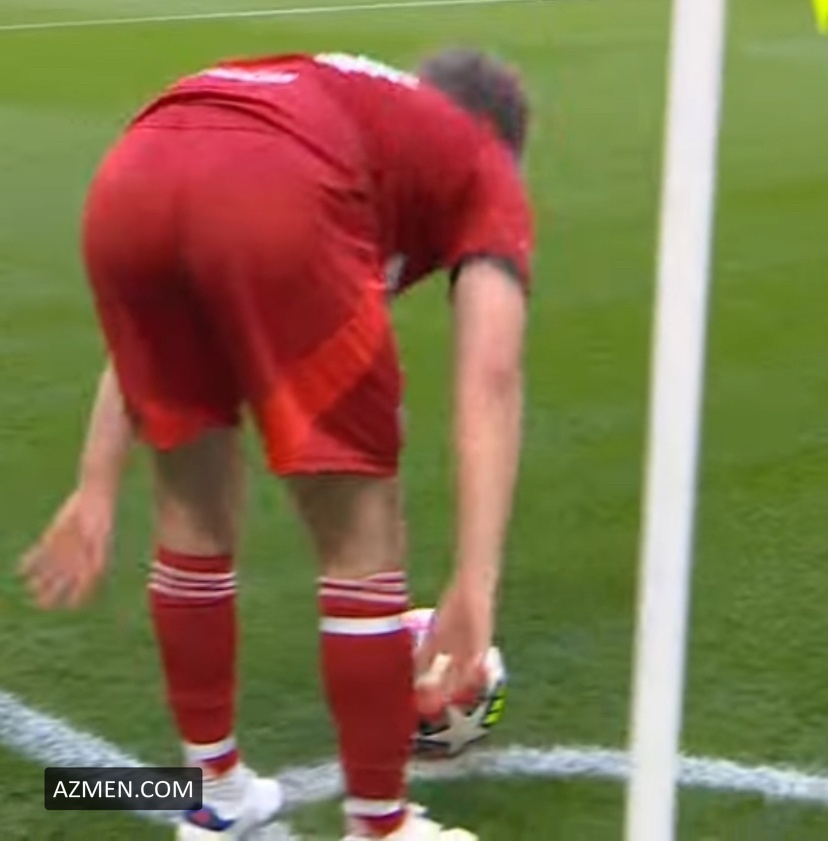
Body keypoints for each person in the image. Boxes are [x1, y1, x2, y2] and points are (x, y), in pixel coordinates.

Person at [20, 48, 533, 841]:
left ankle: (215, 796)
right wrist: (475, 585)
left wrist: (96, 484)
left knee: (193, 505)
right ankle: (381, 826)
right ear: (501, 137)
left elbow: (153, 321)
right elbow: (491, 375)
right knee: (360, 530)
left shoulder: (368, 110)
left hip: (135, 170)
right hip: (278, 190)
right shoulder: (480, 158)